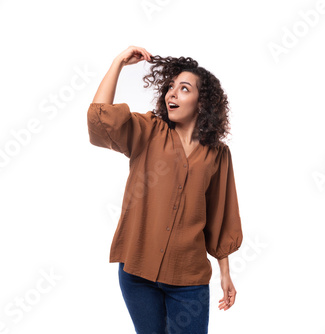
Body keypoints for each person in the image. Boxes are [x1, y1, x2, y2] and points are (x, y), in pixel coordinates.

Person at [87, 46, 243, 334]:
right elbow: (100, 120)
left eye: (184, 89)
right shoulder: (148, 130)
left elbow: (221, 216)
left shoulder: (218, 155)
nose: (172, 94)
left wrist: (226, 273)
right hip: (137, 272)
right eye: (170, 87)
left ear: (202, 102)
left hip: (189, 278)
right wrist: (117, 63)